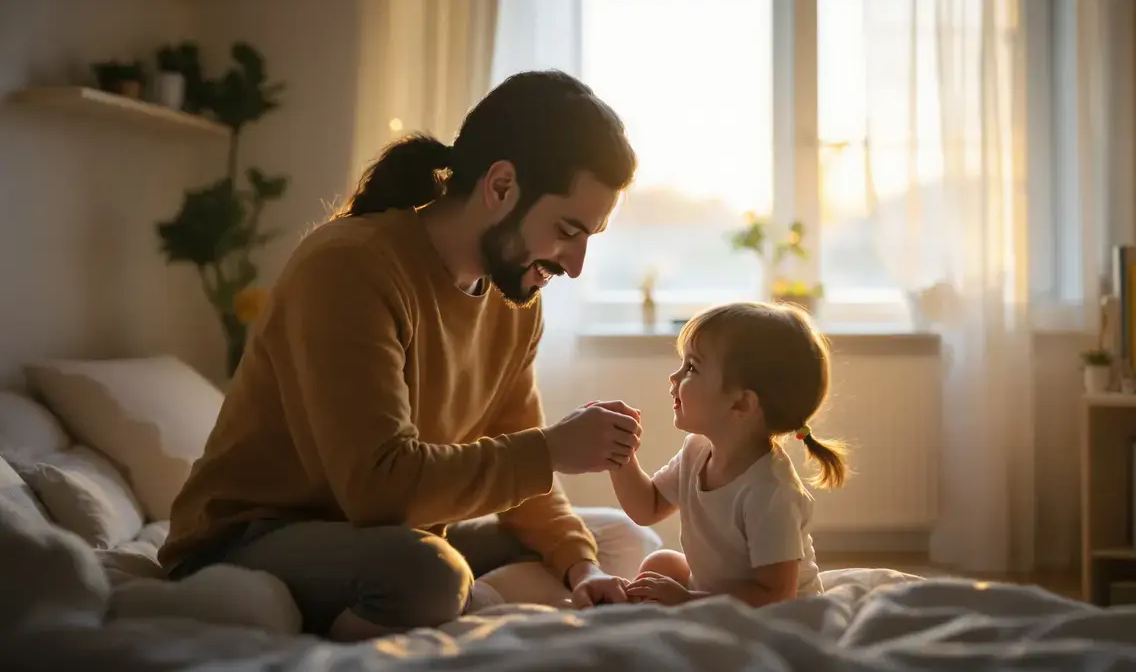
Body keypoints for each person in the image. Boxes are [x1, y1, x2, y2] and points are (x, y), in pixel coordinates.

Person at [158, 70, 644, 641]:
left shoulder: (515, 302)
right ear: (501, 186)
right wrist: (554, 448)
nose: (577, 263)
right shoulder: (350, 267)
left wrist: (580, 566)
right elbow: (379, 488)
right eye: (567, 230)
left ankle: (473, 600)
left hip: (385, 536)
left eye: (590, 237)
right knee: (427, 573)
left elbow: (522, 473)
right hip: (250, 537)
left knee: (614, 539)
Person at [608, 302, 850, 607]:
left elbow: (776, 594)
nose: (674, 376)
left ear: (741, 404)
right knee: (660, 565)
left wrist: (687, 600)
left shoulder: (770, 491)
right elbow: (648, 508)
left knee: (665, 581)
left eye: (692, 367)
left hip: (775, 614)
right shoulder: (697, 450)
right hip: (714, 592)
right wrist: (621, 455)